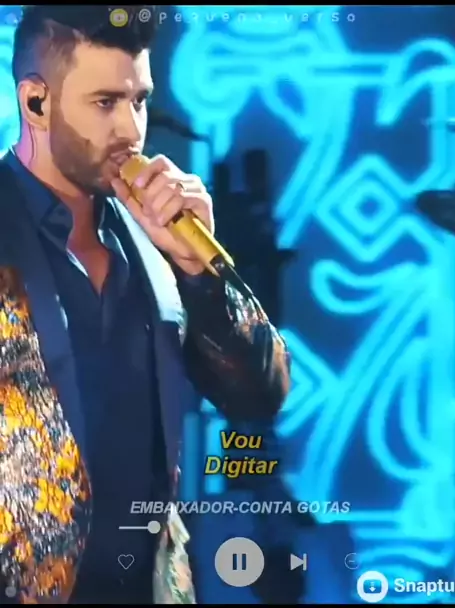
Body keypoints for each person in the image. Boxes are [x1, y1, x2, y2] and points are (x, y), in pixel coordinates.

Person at [0, 5, 290, 605]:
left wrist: (198, 270)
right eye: (105, 103)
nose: (131, 130)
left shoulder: (156, 233)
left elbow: (259, 395)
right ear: (35, 103)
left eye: (139, 101)